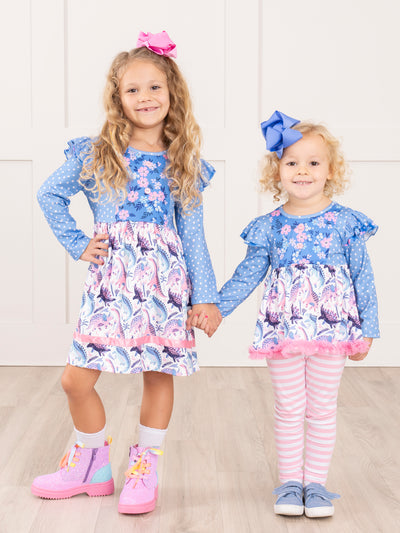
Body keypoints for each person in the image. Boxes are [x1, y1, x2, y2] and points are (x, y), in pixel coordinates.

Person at [32, 30, 222, 514]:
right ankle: (91, 466)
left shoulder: (183, 163)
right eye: (132, 89)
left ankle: (145, 467)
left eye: (154, 87)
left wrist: (205, 297)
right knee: (76, 380)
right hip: (111, 284)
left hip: (165, 285)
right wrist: (79, 243)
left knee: (158, 374)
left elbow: (194, 237)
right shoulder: (97, 152)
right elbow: (49, 194)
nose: (145, 97)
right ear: (118, 98)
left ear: (172, 92)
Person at [195, 111, 380, 518]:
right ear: (276, 170)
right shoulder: (269, 227)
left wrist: (368, 329)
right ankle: (291, 484)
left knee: (322, 408)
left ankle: (316, 485)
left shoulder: (346, 223)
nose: (302, 171)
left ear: (331, 170)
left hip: (333, 332)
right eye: (292, 162)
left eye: (313, 162)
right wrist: (216, 308)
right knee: (289, 407)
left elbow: (363, 277)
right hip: (282, 330)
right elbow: (248, 274)